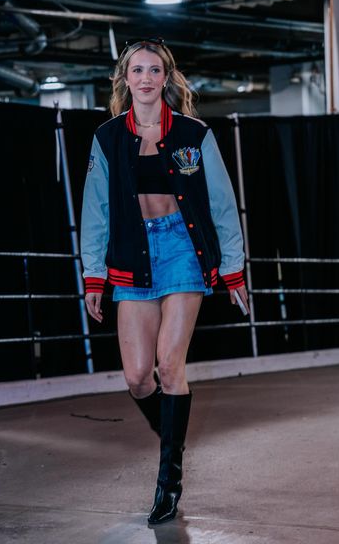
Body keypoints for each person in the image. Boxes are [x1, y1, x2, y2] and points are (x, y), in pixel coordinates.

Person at [80, 37, 249, 525]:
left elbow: (222, 204)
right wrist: (94, 276)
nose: (147, 78)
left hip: (182, 251)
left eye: (156, 70)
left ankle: (167, 482)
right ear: (125, 79)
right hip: (134, 254)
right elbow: (95, 212)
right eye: (138, 70)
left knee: (169, 367)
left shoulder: (195, 134)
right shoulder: (108, 137)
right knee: (137, 376)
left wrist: (234, 269)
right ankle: (172, 442)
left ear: (166, 77)